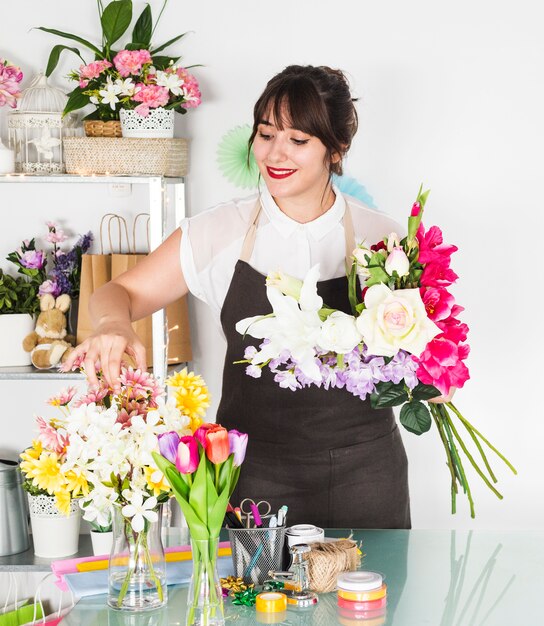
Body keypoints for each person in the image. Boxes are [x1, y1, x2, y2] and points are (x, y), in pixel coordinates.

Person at [67, 65, 412, 528]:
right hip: (254, 476)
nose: (275, 153)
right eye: (266, 134)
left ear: (337, 147)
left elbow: (418, 347)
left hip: (366, 475)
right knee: (249, 601)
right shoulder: (217, 231)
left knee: (370, 601)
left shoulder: (384, 236)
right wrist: (113, 323)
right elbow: (120, 291)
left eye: (298, 140)